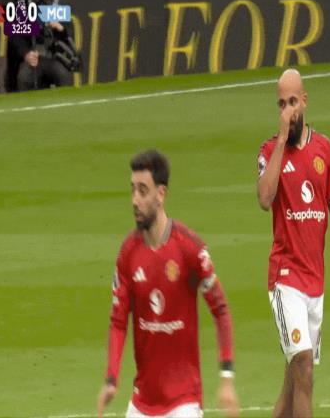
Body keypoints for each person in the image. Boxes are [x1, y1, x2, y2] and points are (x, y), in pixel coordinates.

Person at [97, 150, 239, 418]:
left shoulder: (189, 249)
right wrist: (111, 379)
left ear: (161, 194)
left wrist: (226, 377)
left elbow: (220, 309)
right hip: (141, 402)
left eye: (143, 191)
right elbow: (118, 321)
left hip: (183, 403)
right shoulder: (128, 253)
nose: (135, 200)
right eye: (132, 190)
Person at [256, 69, 330, 418]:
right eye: (282, 104)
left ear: (305, 101)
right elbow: (264, 199)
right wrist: (283, 140)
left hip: (315, 282)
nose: (288, 111)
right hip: (285, 279)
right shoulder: (270, 150)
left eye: (293, 102)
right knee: (304, 366)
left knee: (293, 380)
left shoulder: (324, 149)